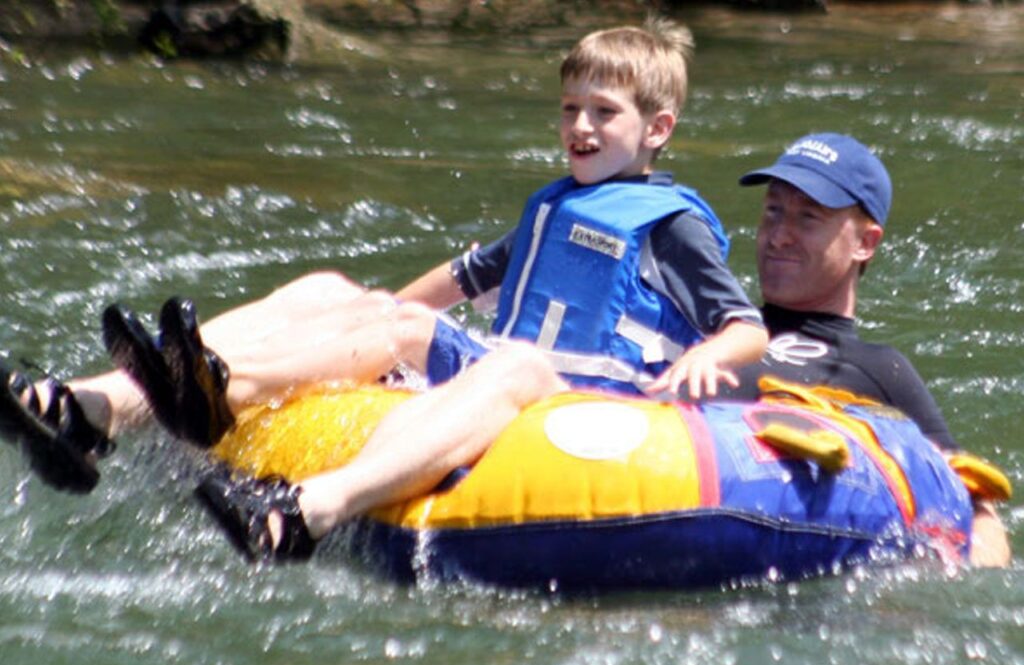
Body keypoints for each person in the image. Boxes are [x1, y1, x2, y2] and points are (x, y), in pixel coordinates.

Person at [0, 19, 766, 493]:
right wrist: (368, 313)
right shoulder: (558, 204)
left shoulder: (671, 224)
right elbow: (463, 279)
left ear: (658, 129)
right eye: (570, 108)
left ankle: (222, 387)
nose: (581, 126)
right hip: (500, 364)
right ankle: (94, 405)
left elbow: (745, 326)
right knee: (329, 288)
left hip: (576, 398)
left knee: (396, 331)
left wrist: (716, 356)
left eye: (606, 112)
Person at [192, 131, 1010, 569]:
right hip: (576, 424)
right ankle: (150, 391)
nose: (777, 234)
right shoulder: (703, 308)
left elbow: (967, 499)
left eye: (807, 218)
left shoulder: (875, 368)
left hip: (678, 489)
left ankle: (310, 505)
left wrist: (960, 581)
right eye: (773, 213)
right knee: (332, 294)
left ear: (865, 241)